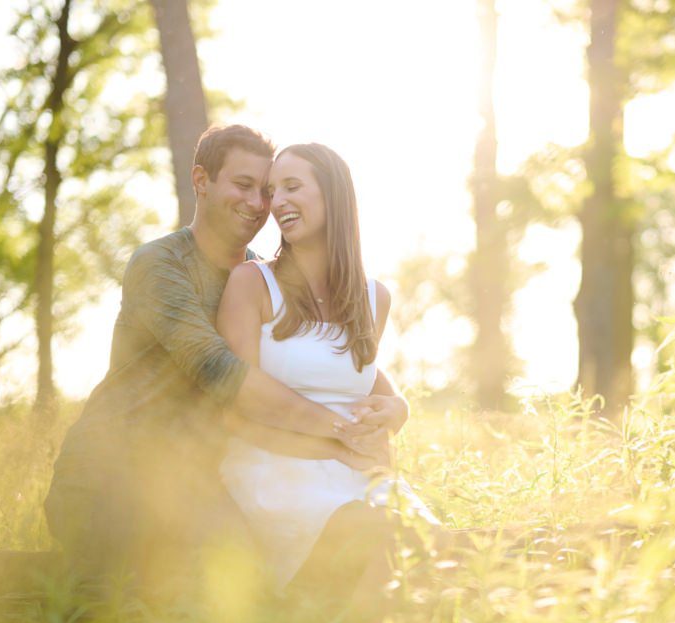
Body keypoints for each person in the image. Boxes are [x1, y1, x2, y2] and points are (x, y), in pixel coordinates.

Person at [44, 125, 406, 586]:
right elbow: (221, 373)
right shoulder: (161, 265)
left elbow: (330, 355)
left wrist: (397, 406)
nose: (261, 205)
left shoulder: (262, 275)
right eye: (244, 185)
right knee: (114, 616)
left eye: (267, 190)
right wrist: (342, 437)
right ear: (201, 181)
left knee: (251, 590)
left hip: (194, 478)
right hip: (113, 473)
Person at [216, 143, 440, 594]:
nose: (276, 202)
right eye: (271, 191)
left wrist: (398, 409)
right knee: (372, 534)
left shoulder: (373, 297)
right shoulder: (252, 282)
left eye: (292, 187)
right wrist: (335, 445)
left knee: (432, 542)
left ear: (333, 195)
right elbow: (235, 410)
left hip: (355, 468)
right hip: (274, 464)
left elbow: (358, 377)